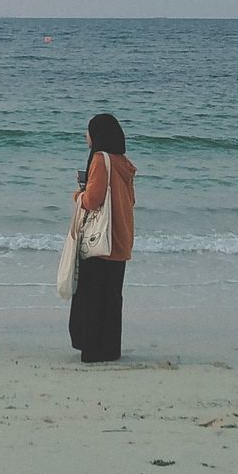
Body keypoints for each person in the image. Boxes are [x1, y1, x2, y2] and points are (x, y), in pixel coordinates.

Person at [68, 113, 136, 362]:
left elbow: (93, 199)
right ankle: (110, 349)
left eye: (88, 131)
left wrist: (78, 196)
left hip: (100, 241)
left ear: (97, 135)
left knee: (92, 295)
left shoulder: (100, 159)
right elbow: (131, 200)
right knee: (112, 296)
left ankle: (92, 349)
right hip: (121, 238)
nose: (86, 136)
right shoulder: (123, 162)